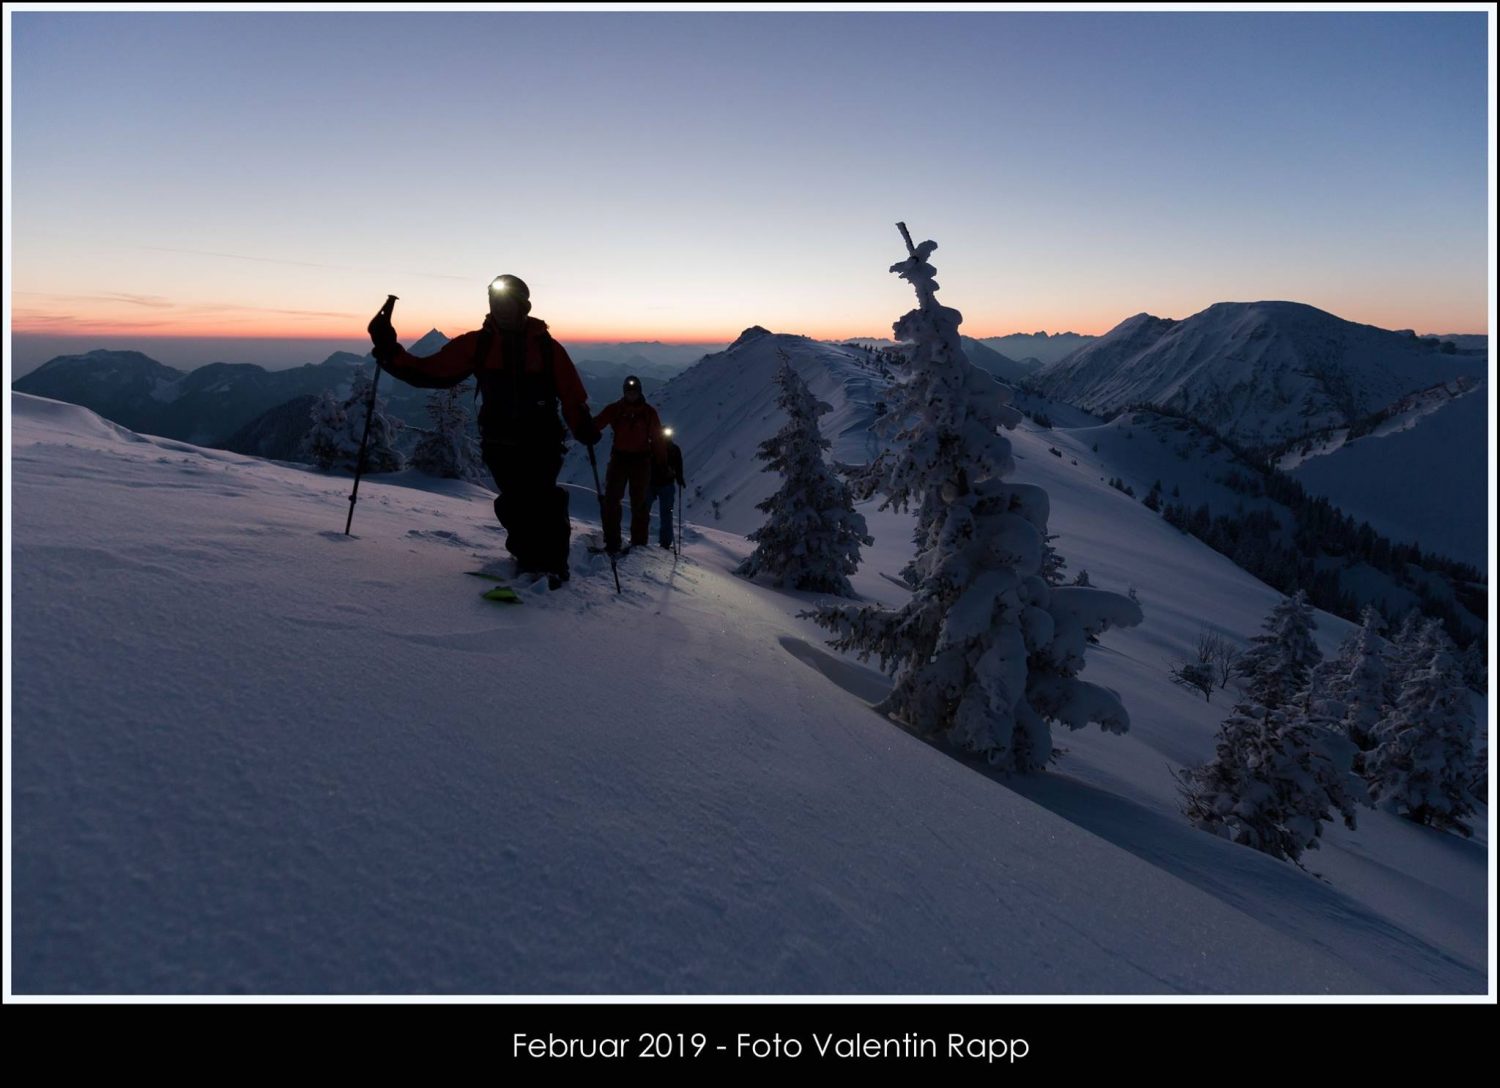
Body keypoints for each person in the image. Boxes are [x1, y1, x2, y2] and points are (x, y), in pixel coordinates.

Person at [368, 274, 598, 585]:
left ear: (523, 307)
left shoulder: (546, 348)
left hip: (541, 441)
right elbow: (429, 372)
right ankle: (528, 559)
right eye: (496, 303)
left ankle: (553, 567)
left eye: (508, 303)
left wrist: (582, 425)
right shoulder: (479, 344)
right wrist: (389, 350)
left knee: (543, 500)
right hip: (499, 442)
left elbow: (572, 393)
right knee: (515, 501)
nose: (502, 309)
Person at [593, 376, 667, 553]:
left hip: (641, 461)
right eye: (629, 392)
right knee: (611, 500)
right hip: (620, 459)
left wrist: (662, 463)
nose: (631, 395)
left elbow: (657, 439)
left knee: (639, 503)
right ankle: (612, 542)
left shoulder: (648, 413)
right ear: (624, 392)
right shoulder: (616, 410)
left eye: (634, 392)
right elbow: (598, 422)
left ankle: (638, 544)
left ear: (639, 392)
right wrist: (587, 429)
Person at [650, 426, 686, 550]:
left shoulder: (653, 447)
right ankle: (664, 542)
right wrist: (679, 478)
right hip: (662, 484)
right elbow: (678, 466)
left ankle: (661, 542)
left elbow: (678, 466)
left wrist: (680, 477)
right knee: (666, 514)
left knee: (644, 511)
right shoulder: (673, 449)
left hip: (655, 483)